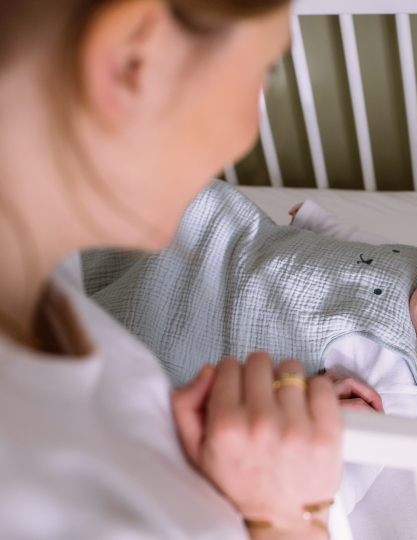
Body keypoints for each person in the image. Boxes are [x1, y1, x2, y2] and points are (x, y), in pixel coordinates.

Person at [0, 1, 343, 539]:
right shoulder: (54, 507)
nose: (251, 129)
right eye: (266, 68)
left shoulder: (39, 263)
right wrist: (287, 521)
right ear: (135, 60)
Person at [81, 180, 417, 512]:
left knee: (138, 320)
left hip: (222, 320)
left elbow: (349, 462)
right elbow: (364, 248)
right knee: (191, 201)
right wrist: (316, 220)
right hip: (244, 243)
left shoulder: (406, 387)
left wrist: (312, 501)